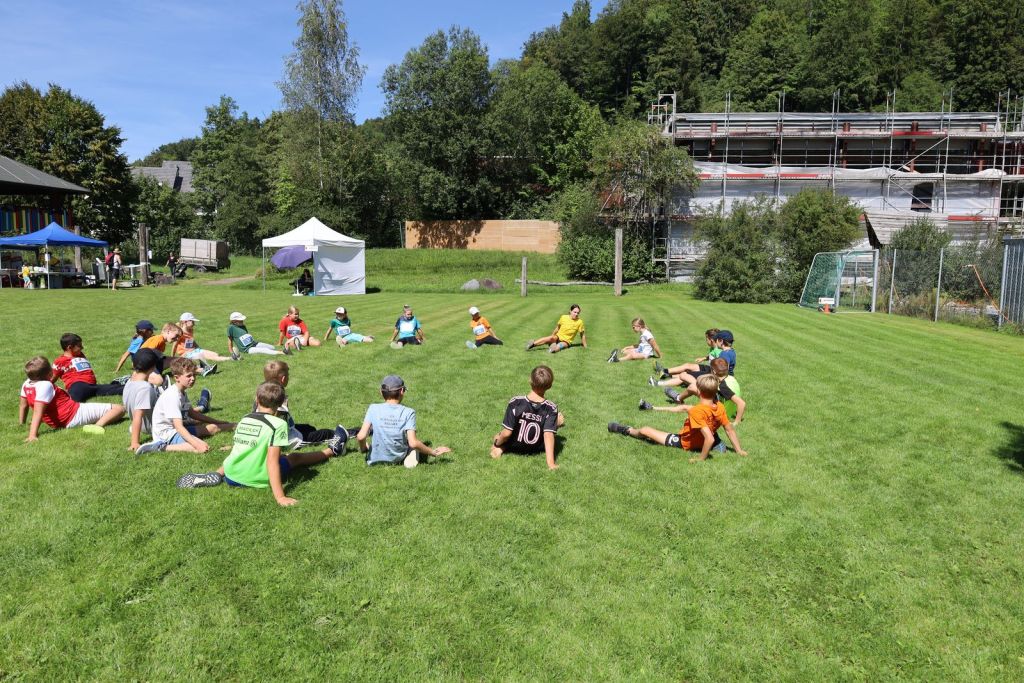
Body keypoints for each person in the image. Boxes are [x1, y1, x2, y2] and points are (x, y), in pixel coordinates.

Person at [175, 382, 347, 505]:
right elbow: (272, 462)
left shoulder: (245, 418)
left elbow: (240, 448)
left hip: (231, 475)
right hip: (255, 479)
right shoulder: (278, 424)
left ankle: (216, 474)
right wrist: (280, 497)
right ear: (281, 405)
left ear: (256, 400)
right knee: (294, 458)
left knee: (244, 452)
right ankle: (333, 450)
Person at [608, 374, 747, 463]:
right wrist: (739, 450)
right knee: (689, 411)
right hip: (709, 438)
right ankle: (719, 446)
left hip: (686, 442)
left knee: (645, 431)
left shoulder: (697, 411)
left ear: (699, 391)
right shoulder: (720, 406)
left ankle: (627, 430)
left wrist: (701, 459)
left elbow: (709, 438)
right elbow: (729, 430)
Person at [135, 357, 235, 455]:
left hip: (175, 429)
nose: (193, 378)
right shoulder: (173, 396)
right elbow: (179, 427)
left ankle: (238, 426)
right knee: (201, 447)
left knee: (213, 427)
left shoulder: (182, 392)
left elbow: (192, 413)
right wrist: (197, 444)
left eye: (194, 375)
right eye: (189, 376)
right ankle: (161, 447)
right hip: (166, 435)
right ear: (177, 378)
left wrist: (218, 422)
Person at [19, 356, 124, 441]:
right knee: (119, 409)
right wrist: (32, 435)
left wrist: (21, 423)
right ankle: (98, 426)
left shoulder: (27, 384)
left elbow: (23, 406)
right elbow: (38, 411)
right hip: (73, 415)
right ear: (50, 373)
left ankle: (95, 421)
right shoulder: (45, 385)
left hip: (65, 417)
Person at [356, 375, 451, 467]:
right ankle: (409, 460)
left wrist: (364, 449)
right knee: (412, 445)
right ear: (402, 391)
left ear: (381, 392)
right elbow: (413, 443)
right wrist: (433, 452)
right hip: (398, 458)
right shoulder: (408, 412)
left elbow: (360, 436)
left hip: (374, 460)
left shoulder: (373, 408)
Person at [261, 359, 352, 448]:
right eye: (288, 375)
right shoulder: (278, 397)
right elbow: (277, 423)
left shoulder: (263, 392)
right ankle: (350, 433)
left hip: (287, 429)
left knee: (309, 428)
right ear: (283, 379)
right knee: (326, 434)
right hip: (290, 439)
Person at [491, 365, 564, 470]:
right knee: (554, 424)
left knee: (501, 434)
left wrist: (497, 443)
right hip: (537, 447)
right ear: (550, 386)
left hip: (515, 444)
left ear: (530, 380)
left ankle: (503, 447)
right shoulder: (551, 408)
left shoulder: (516, 402)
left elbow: (507, 433)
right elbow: (548, 435)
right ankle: (557, 422)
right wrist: (551, 464)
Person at [647, 357, 746, 425]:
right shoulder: (730, 378)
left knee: (688, 400)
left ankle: (655, 407)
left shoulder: (723, 386)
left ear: (714, 372)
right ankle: (677, 398)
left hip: (718, 413)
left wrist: (736, 423)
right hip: (722, 407)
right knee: (692, 385)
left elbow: (741, 403)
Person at [52, 333, 125, 402]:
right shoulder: (60, 361)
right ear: (70, 347)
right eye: (79, 346)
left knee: (119, 389)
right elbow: (51, 380)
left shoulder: (80, 355)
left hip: (92, 386)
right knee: (74, 403)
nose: (82, 347)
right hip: (78, 386)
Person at [651, 328, 721, 388]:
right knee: (688, 366)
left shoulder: (718, 352)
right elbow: (712, 356)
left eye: (706, 339)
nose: (706, 341)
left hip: (712, 374)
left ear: (711, 340)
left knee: (685, 375)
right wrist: (704, 358)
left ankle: (658, 383)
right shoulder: (713, 348)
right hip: (709, 369)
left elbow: (721, 366)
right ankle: (664, 372)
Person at [123, 349, 162, 452]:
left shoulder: (129, 382)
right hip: (154, 427)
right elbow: (138, 415)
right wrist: (134, 442)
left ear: (133, 364)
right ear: (153, 367)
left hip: (142, 426)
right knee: (194, 426)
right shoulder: (145, 388)